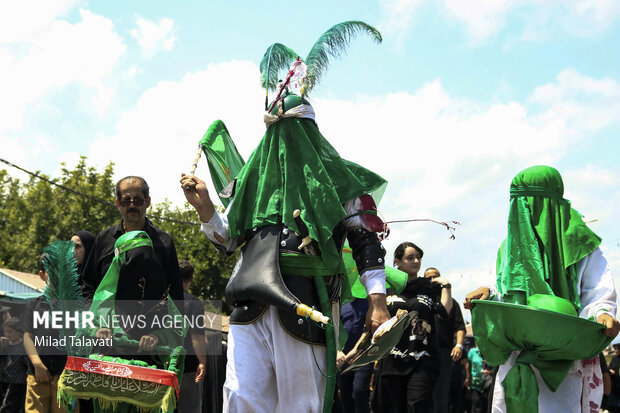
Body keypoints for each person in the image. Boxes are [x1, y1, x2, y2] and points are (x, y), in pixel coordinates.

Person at [464, 165, 619, 413]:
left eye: (528, 202)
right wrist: (488, 294)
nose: (522, 211)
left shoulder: (583, 244)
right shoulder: (509, 246)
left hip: (566, 359)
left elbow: (598, 291)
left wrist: (603, 313)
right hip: (517, 358)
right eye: (517, 203)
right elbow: (503, 287)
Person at [373, 242, 453, 412]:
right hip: (392, 361)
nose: (416, 261)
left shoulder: (429, 288)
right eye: (410, 258)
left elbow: (443, 312)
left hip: (423, 359)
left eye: (418, 257)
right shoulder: (386, 289)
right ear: (397, 261)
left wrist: (446, 287)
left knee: (418, 404)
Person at [81, 176, 182, 301]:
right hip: (107, 320)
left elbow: (175, 292)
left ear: (148, 201)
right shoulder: (104, 239)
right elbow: (88, 287)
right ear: (118, 203)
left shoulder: (164, 241)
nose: (132, 205)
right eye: (126, 200)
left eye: (138, 200)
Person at [22, 254, 74, 413]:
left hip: (66, 376)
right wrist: (37, 364)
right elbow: (27, 337)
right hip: (38, 375)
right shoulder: (33, 306)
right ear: (42, 275)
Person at [424, 267, 466, 413]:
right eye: (428, 278)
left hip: (443, 351)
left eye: (435, 277)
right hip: (423, 351)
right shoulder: (422, 300)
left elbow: (460, 326)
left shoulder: (452, 303)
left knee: (441, 392)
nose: (432, 280)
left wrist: (459, 345)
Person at [177, 260, 206, 412]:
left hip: (164, 364)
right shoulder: (194, 303)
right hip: (187, 367)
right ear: (192, 279)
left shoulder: (162, 300)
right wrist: (202, 361)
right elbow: (197, 336)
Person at [336, 297, 373, 413]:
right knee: (345, 395)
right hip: (343, 358)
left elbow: (370, 329)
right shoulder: (341, 304)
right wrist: (337, 350)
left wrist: (358, 349)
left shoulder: (368, 303)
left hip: (363, 357)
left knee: (359, 391)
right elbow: (335, 328)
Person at [0, 317, 27, 413]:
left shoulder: (23, 345)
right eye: (5, 331)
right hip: (5, 379)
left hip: (18, 380)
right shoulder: (5, 344)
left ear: (17, 332)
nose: (7, 334)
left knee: (11, 406)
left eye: (10, 332)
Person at [607, 344, 620, 413]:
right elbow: (609, 369)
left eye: (618, 349)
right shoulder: (614, 359)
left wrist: (615, 373)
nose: (616, 350)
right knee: (612, 408)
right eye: (615, 349)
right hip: (614, 387)